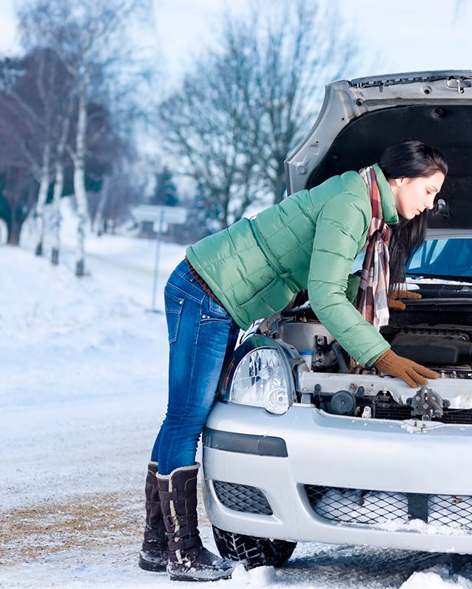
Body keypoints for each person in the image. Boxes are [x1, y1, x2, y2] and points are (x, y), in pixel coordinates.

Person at [139, 140, 448, 581]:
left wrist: (373, 288)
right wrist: (380, 354)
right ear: (401, 179)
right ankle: (183, 551)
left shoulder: (356, 195)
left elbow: (321, 266)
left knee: (181, 418)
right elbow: (323, 295)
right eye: (428, 191)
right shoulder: (352, 205)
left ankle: (157, 546)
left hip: (213, 293)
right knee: (186, 419)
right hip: (206, 291)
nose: (430, 203)